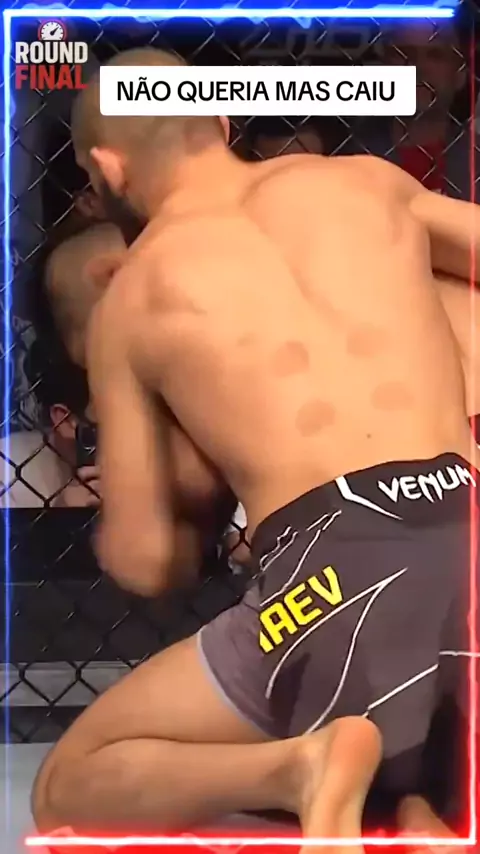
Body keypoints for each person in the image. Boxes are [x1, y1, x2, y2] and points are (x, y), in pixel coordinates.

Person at [32, 46, 480, 846]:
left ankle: (298, 768)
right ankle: (413, 803)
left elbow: (147, 560)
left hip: (335, 576)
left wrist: (198, 467)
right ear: (222, 121)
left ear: (107, 169)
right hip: (468, 519)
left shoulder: (133, 297)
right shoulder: (365, 184)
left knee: (72, 781)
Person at [347, 21, 479, 201]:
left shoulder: (474, 160)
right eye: (404, 54)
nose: (418, 67)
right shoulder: (346, 158)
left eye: (435, 55)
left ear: (460, 75)